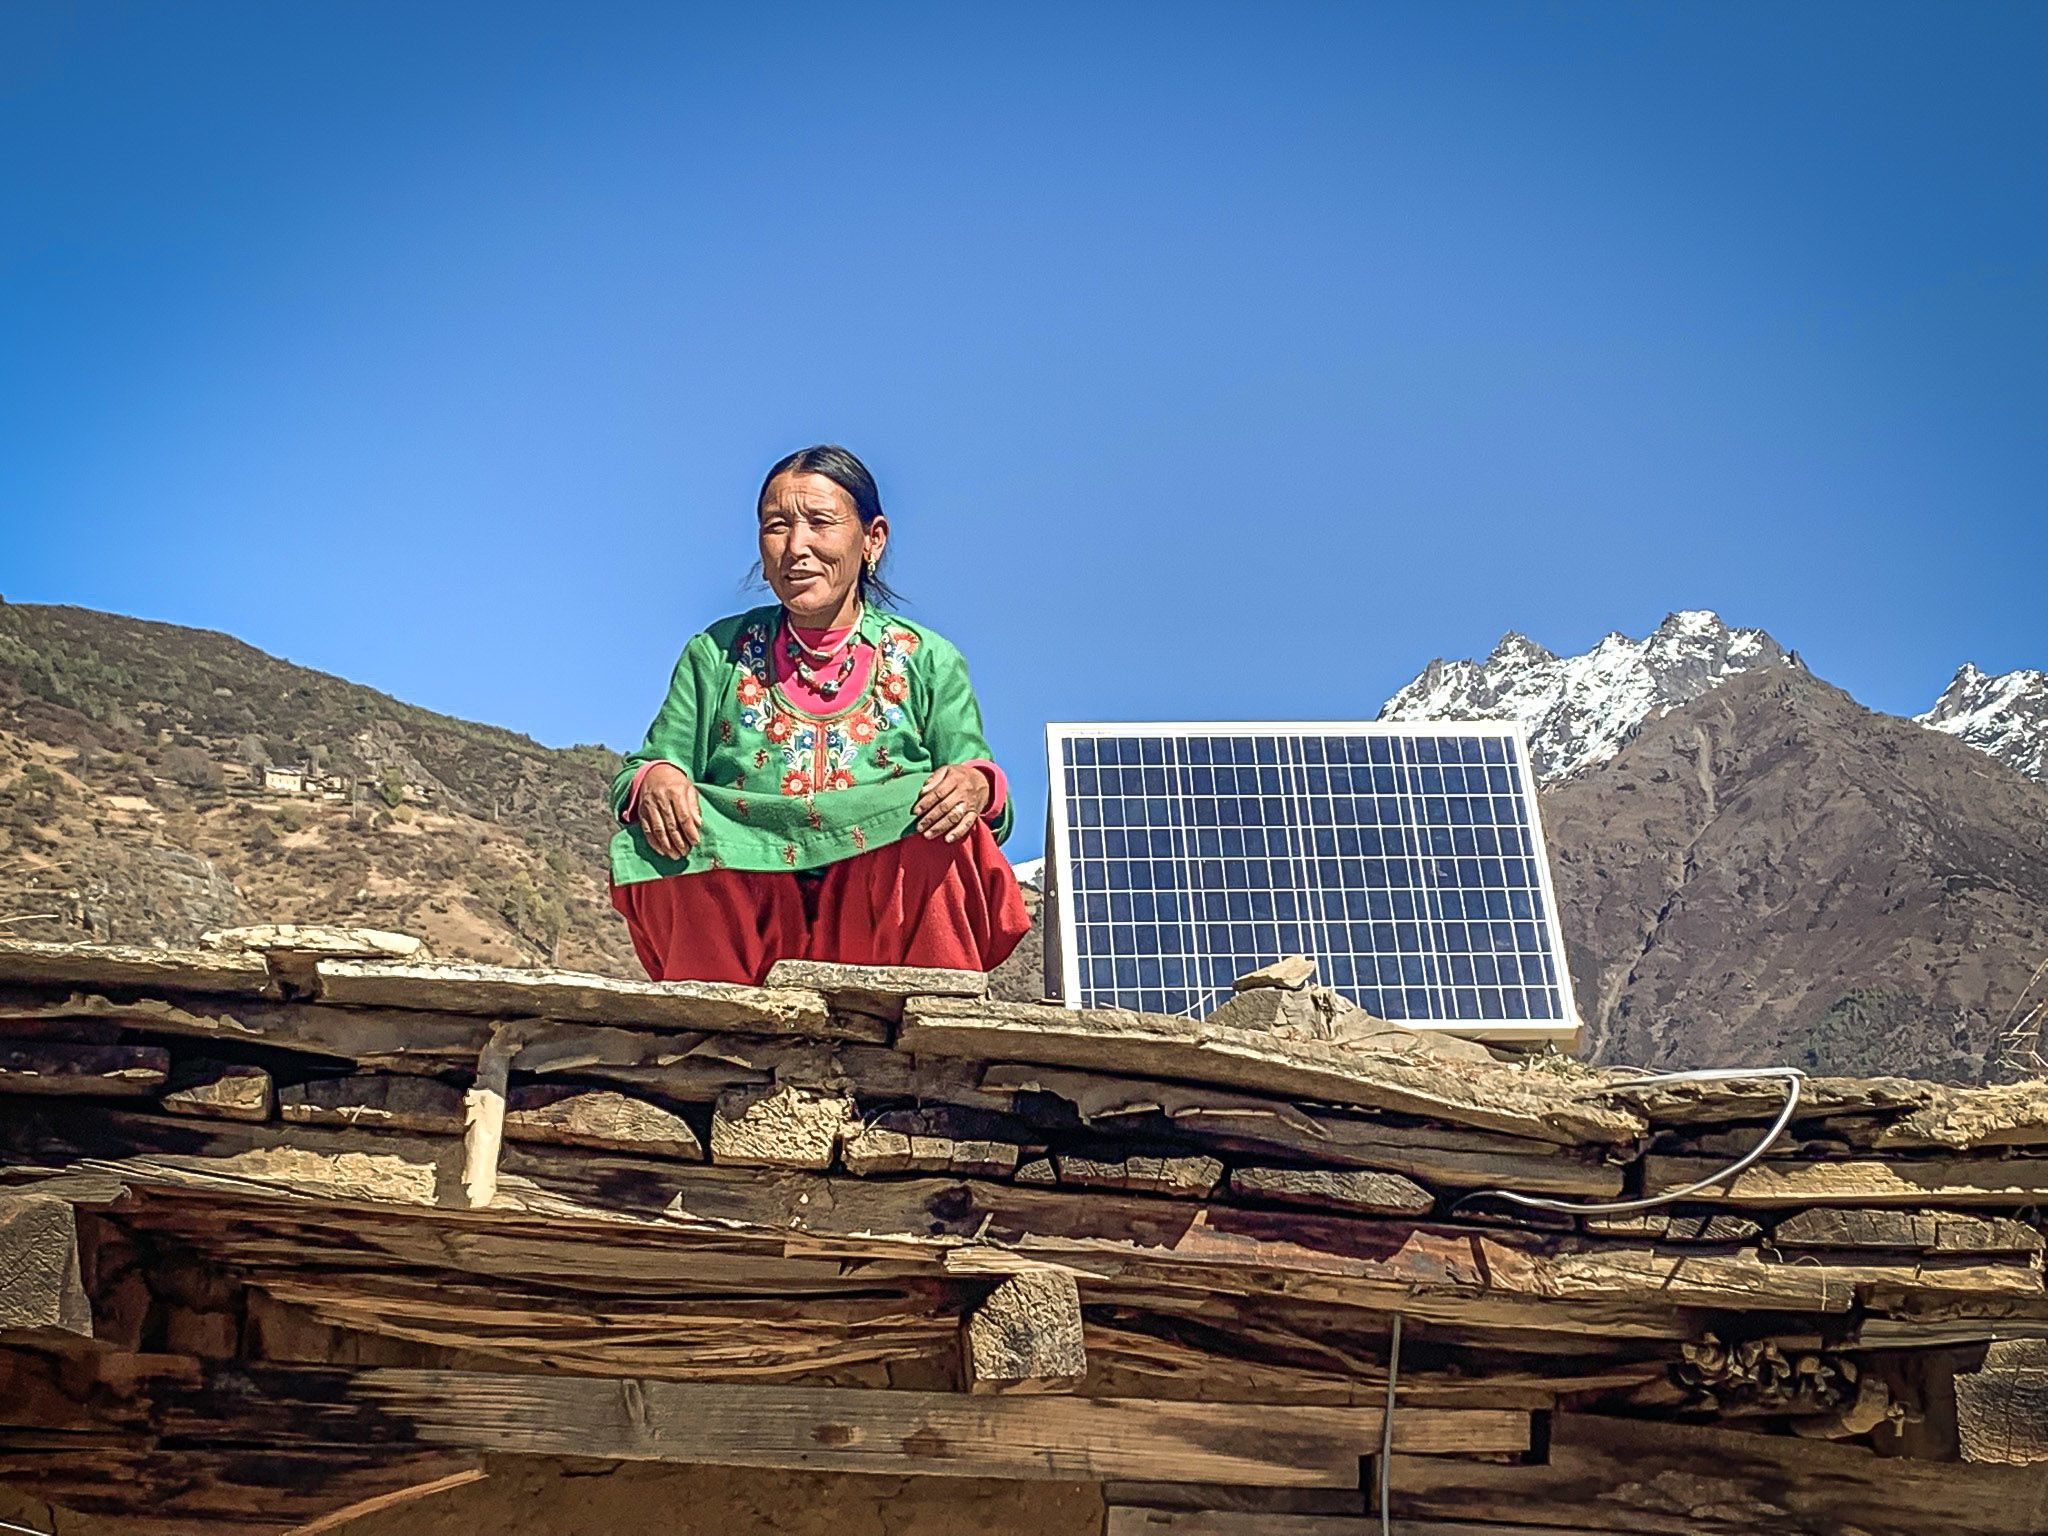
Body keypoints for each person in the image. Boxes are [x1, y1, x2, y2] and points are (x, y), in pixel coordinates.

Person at [607, 445, 1031, 985]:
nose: (796, 547)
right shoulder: (715, 653)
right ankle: (716, 1022)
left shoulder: (929, 659)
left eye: (820, 523)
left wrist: (972, 784)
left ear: (872, 538)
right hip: (748, 903)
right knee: (665, 834)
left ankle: (927, 1021)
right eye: (776, 526)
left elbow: (992, 803)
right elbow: (640, 772)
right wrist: (657, 778)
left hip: (881, 918)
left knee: (940, 826)